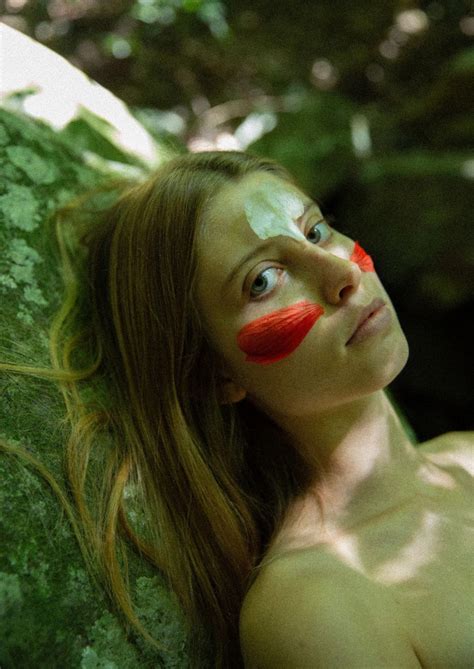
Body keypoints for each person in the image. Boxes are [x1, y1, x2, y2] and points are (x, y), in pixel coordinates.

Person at [1, 151, 472, 668]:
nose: (342, 273)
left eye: (315, 232)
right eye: (263, 280)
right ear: (214, 375)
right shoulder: (317, 608)